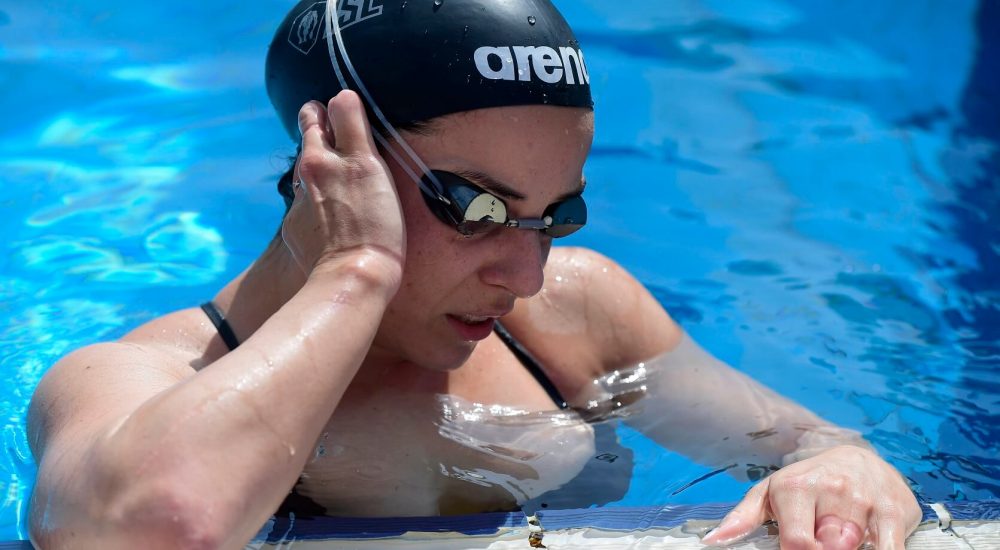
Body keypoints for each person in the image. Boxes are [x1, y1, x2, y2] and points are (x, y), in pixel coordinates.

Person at [26, 1, 921, 548]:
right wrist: (355, 270)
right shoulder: (136, 377)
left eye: (558, 214)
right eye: (479, 207)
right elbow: (156, 527)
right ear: (325, 166)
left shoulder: (576, 313)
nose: (526, 274)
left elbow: (809, 443)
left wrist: (841, 471)